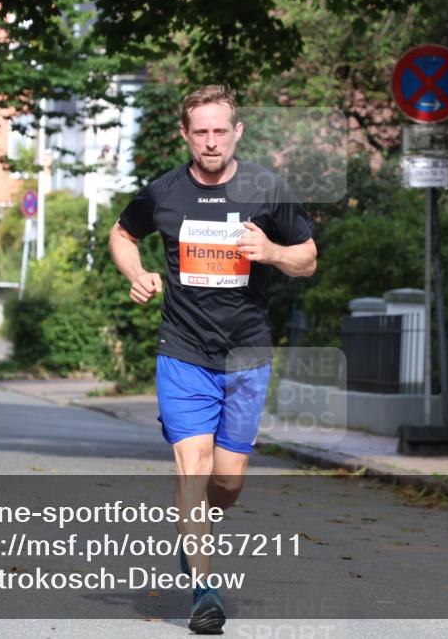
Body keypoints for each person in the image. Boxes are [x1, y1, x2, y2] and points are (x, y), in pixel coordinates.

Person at [109, 85, 316, 634]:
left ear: (237, 132)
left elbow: (308, 257)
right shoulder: (165, 193)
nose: (210, 141)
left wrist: (271, 252)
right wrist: (137, 274)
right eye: (199, 131)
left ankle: (192, 526)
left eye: (219, 130)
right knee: (192, 468)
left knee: (227, 481)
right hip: (182, 352)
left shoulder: (267, 189)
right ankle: (205, 590)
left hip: (247, 355)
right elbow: (123, 233)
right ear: (185, 134)